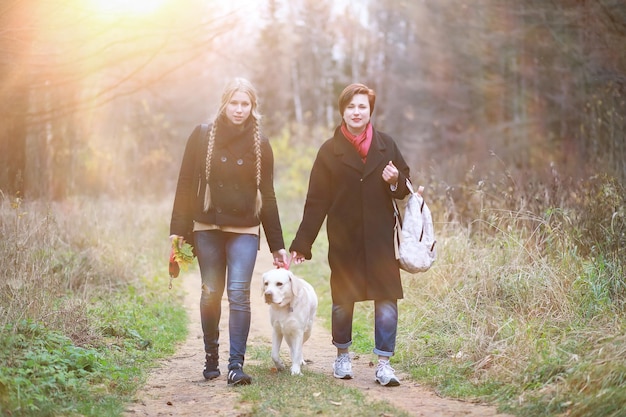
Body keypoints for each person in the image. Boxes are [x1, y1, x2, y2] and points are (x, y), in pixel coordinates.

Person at [289, 83, 411, 387]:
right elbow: (316, 201)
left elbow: (404, 187)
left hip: (381, 238)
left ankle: (384, 364)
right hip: (344, 238)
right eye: (351, 107)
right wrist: (303, 243)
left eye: (362, 107)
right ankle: (342, 356)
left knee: (386, 299)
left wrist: (396, 180)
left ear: (370, 112)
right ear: (342, 111)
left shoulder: (386, 145)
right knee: (344, 299)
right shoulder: (329, 152)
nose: (357, 112)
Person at [170, 77, 288, 386]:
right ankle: (211, 357)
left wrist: (278, 245)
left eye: (245, 104)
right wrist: (178, 231)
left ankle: (236, 365)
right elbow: (185, 184)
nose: (239, 109)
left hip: (245, 228)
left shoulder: (260, 143)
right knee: (211, 292)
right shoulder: (201, 135)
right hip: (206, 226)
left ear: (253, 107)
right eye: (234, 103)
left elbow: (269, 195)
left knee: (238, 293)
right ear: (224, 104)